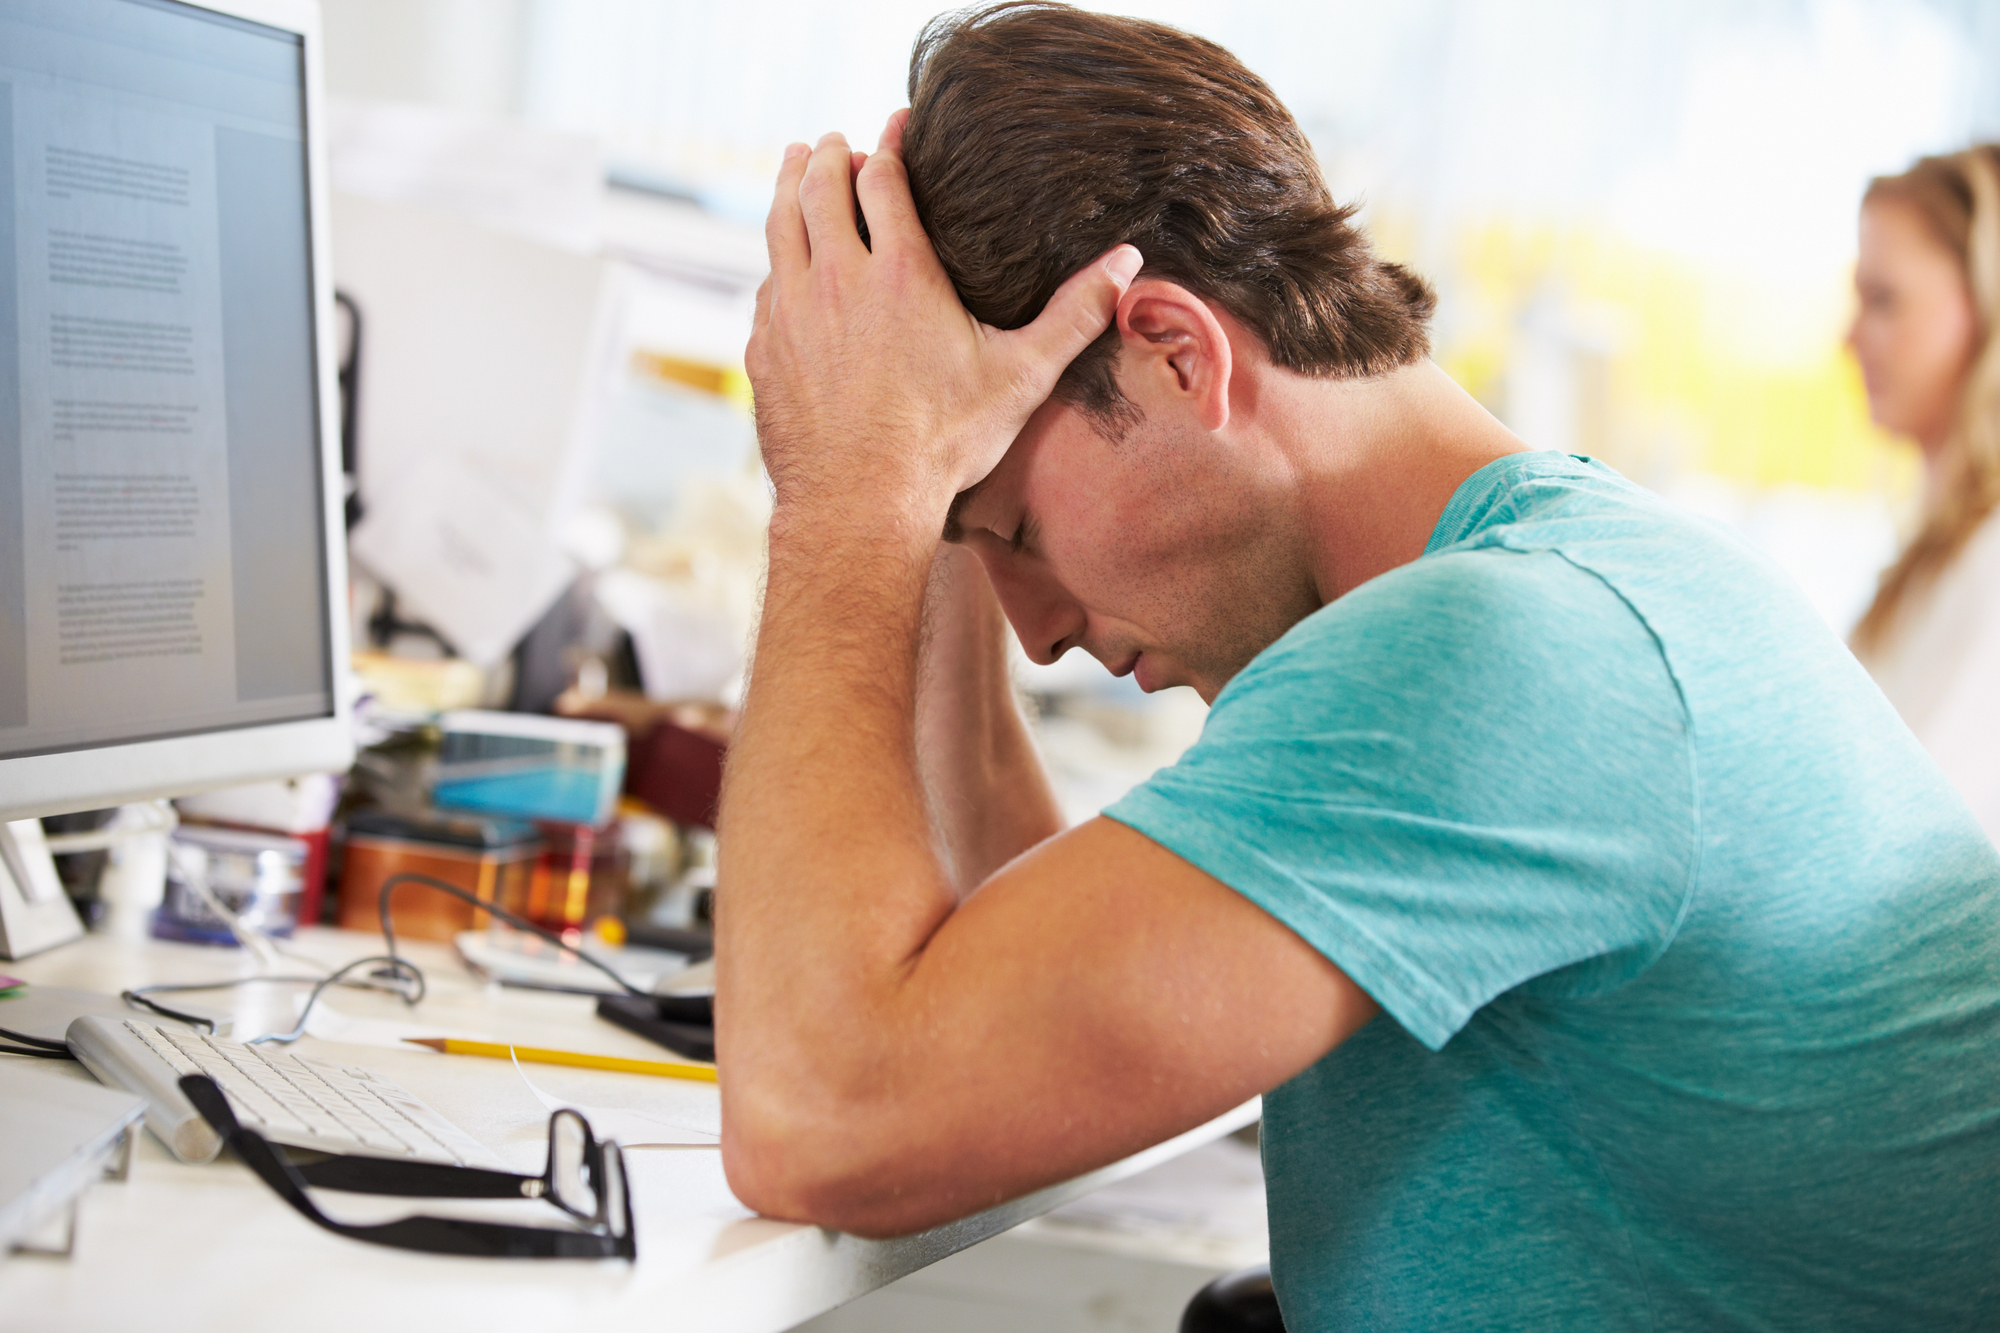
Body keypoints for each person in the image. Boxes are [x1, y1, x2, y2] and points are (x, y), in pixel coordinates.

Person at [715, 5, 2000, 1328]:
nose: (1034, 631)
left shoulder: (1509, 659)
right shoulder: (1547, 589)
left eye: (1022, 535)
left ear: (1173, 352)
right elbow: (1012, 1021)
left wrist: (852, 492)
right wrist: (907, 478)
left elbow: (829, 1114)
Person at [1847, 145, 2000, 841]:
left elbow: (1898, 849)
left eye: (1884, 300)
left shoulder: (1989, 563)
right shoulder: (1937, 551)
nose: (1849, 338)